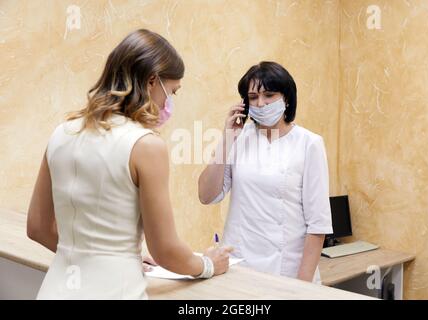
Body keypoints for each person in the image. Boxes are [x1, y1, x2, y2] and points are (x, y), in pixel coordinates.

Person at [27, 29, 232, 300]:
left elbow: (37, 227)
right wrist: (208, 265)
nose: (168, 103)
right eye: (171, 92)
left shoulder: (62, 133)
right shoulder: (146, 145)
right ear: (150, 81)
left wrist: (105, 256)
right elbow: (165, 250)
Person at [198, 61, 332, 284]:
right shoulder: (239, 138)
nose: (260, 103)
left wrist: (302, 286)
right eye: (253, 97)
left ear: (286, 98)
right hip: (239, 265)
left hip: (287, 270)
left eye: (269, 95)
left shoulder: (309, 144)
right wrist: (227, 138)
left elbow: (318, 225)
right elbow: (206, 195)